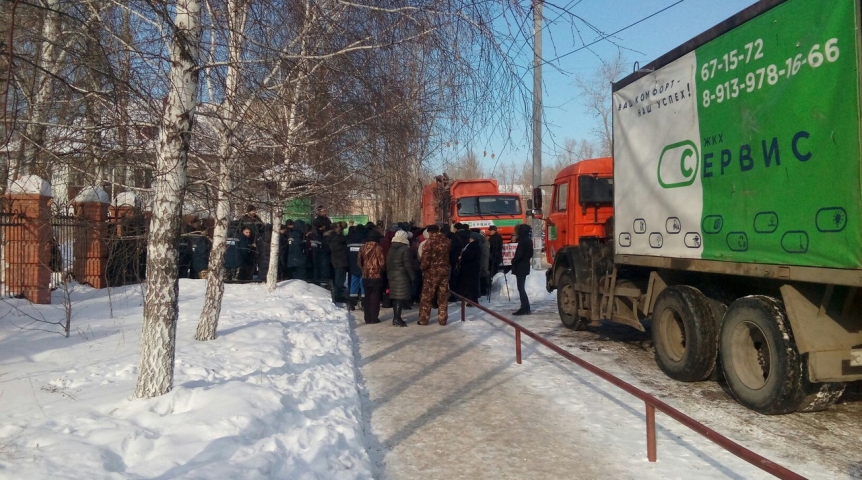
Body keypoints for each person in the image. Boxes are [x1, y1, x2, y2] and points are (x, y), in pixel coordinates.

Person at [418, 225, 451, 326]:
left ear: (429, 232)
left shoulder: (429, 242)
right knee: (443, 296)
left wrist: (423, 268)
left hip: (431, 273)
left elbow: (425, 259)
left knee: (427, 297)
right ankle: (443, 319)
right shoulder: (446, 241)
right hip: (444, 271)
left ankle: (423, 319)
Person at [386, 230, 415, 327]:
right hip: (402, 276)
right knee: (400, 298)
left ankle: (396, 317)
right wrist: (412, 277)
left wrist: (388, 274)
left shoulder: (391, 248)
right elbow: (407, 265)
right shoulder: (405, 249)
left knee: (395, 297)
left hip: (392, 275)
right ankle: (397, 318)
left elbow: (388, 262)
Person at [358, 229, 385, 324]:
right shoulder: (378, 248)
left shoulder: (362, 248)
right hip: (376, 276)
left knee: (367, 297)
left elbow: (359, 262)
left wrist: (364, 270)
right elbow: (382, 263)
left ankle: (367, 318)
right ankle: (374, 318)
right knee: (375, 298)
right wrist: (381, 270)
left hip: (366, 276)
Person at [511, 223, 533, 315]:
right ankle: (526, 307)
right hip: (525, 265)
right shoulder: (528, 240)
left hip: (520, 266)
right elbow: (530, 253)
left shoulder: (523, 241)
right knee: (521, 287)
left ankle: (524, 307)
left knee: (521, 288)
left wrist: (513, 261)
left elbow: (519, 255)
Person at [326, 222, 349, 304]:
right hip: (340, 261)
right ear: (335, 229)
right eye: (339, 227)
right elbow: (339, 249)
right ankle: (337, 296)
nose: (340, 228)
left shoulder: (331, 238)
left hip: (336, 261)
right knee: (339, 280)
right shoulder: (337, 239)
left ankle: (338, 295)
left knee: (339, 279)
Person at [457, 231, 482, 304]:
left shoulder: (472, 246)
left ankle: (471, 300)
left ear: (474, 239)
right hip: (473, 268)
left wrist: (462, 258)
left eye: (471, 238)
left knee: (470, 285)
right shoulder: (476, 246)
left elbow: (469, 256)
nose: (469, 239)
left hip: (469, 268)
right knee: (473, 284)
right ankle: (472, 299)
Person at [346, 224, 367, 310]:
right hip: (363, 266)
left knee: (354, 284)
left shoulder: (349, 240)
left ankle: (352, 303)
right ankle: (364, 303)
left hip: (353, 265)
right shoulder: (365, 240)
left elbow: (346, 253)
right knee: (363, 284)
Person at [478, 230, 490, 297]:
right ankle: (484, 291)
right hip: (484, 262)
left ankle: (483, 291)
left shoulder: (484, 244)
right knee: (483, 276)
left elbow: (484, 254)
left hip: (483, 262)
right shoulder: (486, 243)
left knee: (483, 276)